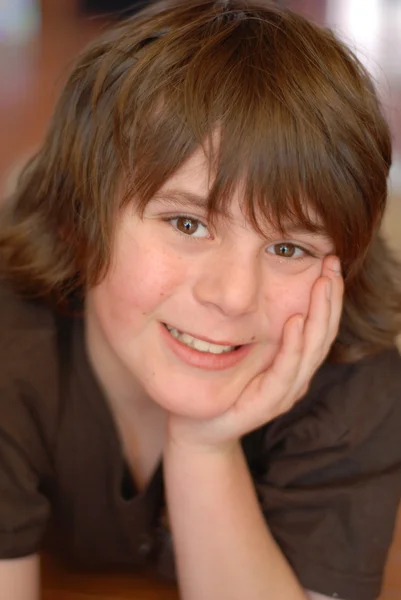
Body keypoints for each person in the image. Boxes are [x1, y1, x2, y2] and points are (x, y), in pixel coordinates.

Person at [0, 1, 400, 599]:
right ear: (78, 222)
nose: (233, 295)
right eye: (188, 224)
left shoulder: (352, 381)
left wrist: (203, 444)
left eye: (288, 248)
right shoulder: (11, 351)